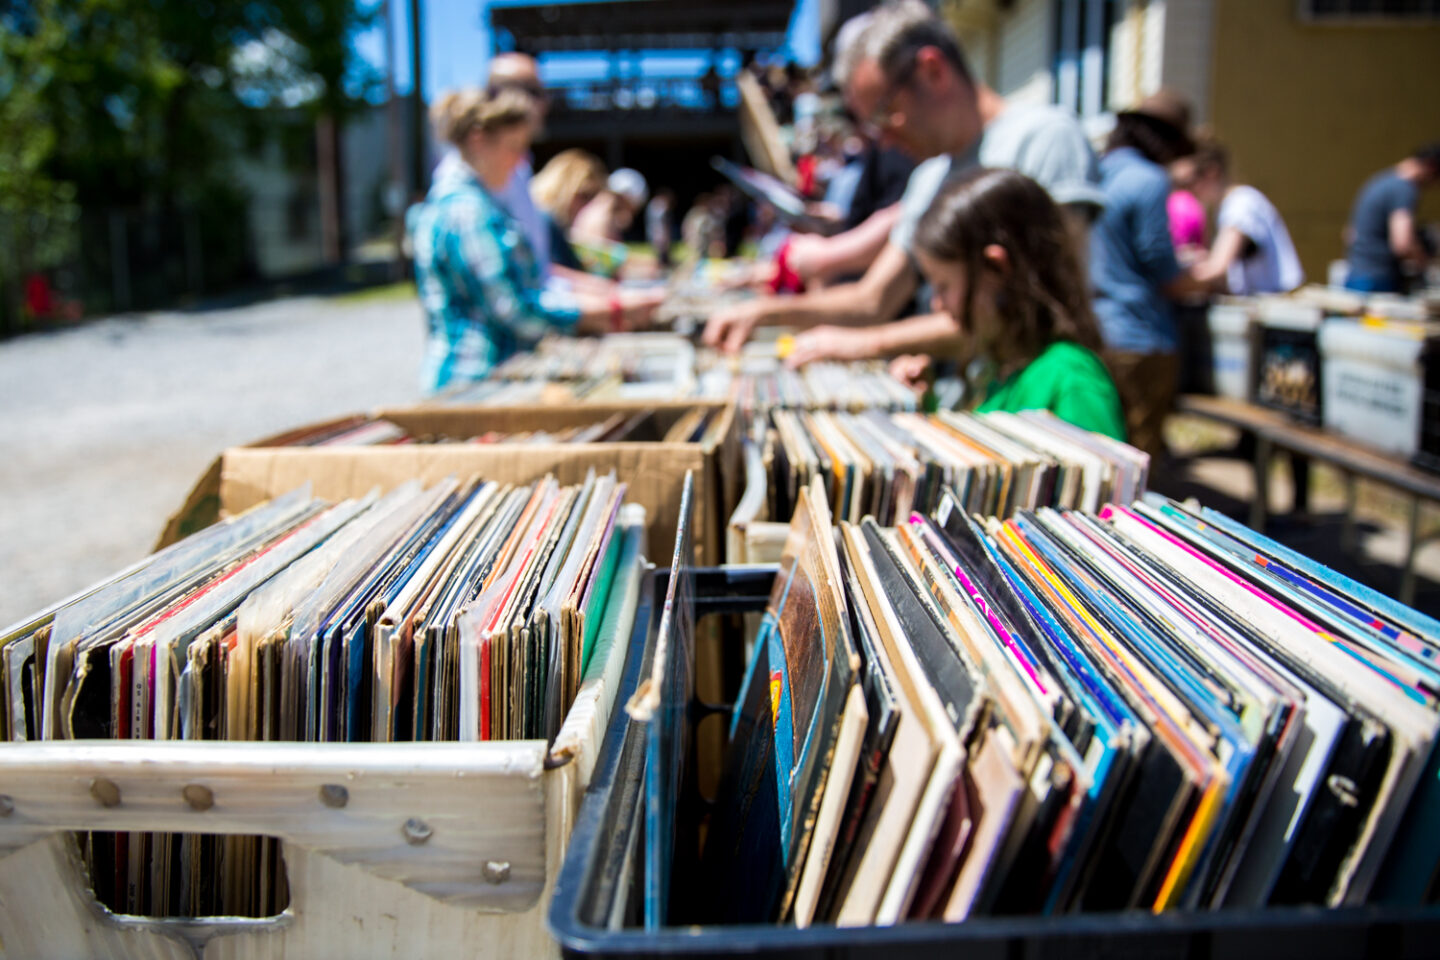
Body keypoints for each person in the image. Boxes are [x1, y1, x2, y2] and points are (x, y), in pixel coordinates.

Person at [703, 0, 1103, 361]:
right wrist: (763, 312)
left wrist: (871, 343)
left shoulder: (1043, 139)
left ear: (932, 70)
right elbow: (872, 299)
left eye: (884, 113)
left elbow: (1052, 304)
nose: (884, 139)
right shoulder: (930, 178)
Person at [408, 88, 659, 394]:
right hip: (471, 381)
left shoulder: (478, 204)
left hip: (480, 378)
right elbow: (515, 310)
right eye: (513, 147)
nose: (520, 160)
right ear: (478, 139)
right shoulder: (467, 212)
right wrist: (611, 311)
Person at [892, 168, 1124, 439]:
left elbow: (1104, 478)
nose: (936, 304)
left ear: (996, 268)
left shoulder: (1072, 381)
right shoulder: (999, 367)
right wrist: (924, 405)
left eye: (943, 285)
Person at [1089, 89, 1209, 458]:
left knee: (1103, 449)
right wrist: (1209, 273)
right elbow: (1160, 267)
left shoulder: (1097, 173)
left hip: (1097, 329)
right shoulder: (1150, 179)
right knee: (1138, 457)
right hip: (1140, 336)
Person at [1186, 138, 1303, 296]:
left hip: (1276, 302)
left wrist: (1173, 281)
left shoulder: (1240, 204)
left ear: (1211, 172)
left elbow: (1217, 268)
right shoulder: (1229, 205)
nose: (1189, 189)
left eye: (1190, 181)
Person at [1344, 142, 1440, 294]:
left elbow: (1350, 234)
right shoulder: (1404, 189)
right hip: (1378, 281)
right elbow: (1402, 242)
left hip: (1357, 274)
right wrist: (1424, 263)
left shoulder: (1381, 180)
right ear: (1431, 167)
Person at [530, 148, 609, 272]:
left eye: (593, 197)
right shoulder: (543, 220)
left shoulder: (556, 224)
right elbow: (549, 273)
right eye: (585, 195)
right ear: (561, 188)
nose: (588, 206)